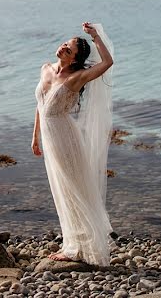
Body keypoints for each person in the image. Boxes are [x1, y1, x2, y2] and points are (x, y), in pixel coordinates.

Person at [32, 21, 115, 265]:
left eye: (69, 50)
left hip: (64, 136)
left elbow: (107, 63)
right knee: (60, 189)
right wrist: (34, 137)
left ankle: (80, 247)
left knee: (73, 188)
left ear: (75, 59)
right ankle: (74, 243)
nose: (62, 49)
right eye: (64, 44)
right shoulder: (46, 69)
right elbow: (40, 105)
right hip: (48, 137)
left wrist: (95, 36)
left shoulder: (77, 77)